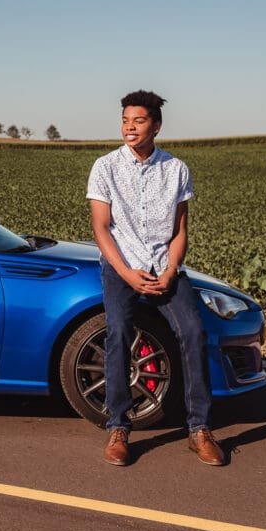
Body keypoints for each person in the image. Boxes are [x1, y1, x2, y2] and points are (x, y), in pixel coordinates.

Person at [86, 90, 225, 467]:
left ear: (156, 126)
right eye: (125, 120)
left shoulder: (177, 170)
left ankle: (199, 429)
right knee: (117, 331)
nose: (129, 127)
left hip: (165, 267)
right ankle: (119, 427)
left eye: (139, 121)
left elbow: (180, 230)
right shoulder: (105, 167)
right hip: (122, 266)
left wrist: (169, 271)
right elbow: (101, 229)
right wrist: (128, 273)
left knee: (193, 332)